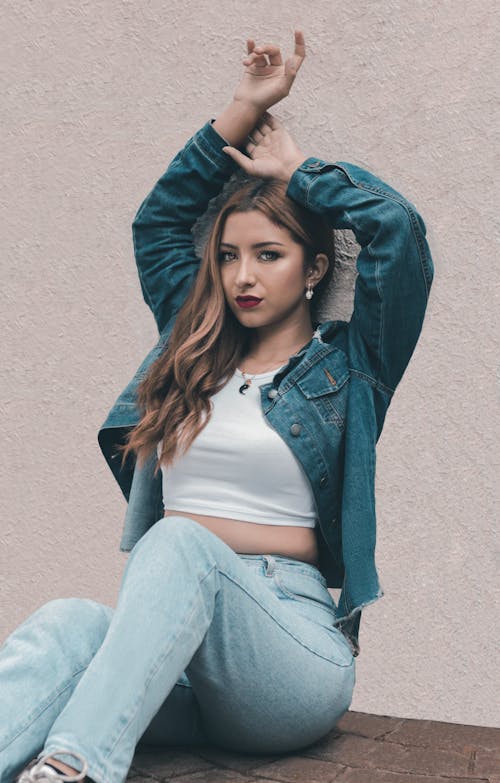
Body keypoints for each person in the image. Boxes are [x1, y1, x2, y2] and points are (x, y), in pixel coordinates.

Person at [0, 29, 434, 783]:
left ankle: (71, 769)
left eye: (269, 254)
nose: (243, 275)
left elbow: (397, 233)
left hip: (288, 656)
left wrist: (301, 171)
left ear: (314, 268)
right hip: (176, 656)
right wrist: (243, 108)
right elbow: (158, 223)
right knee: (69, 619)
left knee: (176, 541)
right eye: (230, 255)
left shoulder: (350, 366)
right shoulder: (191, 346)